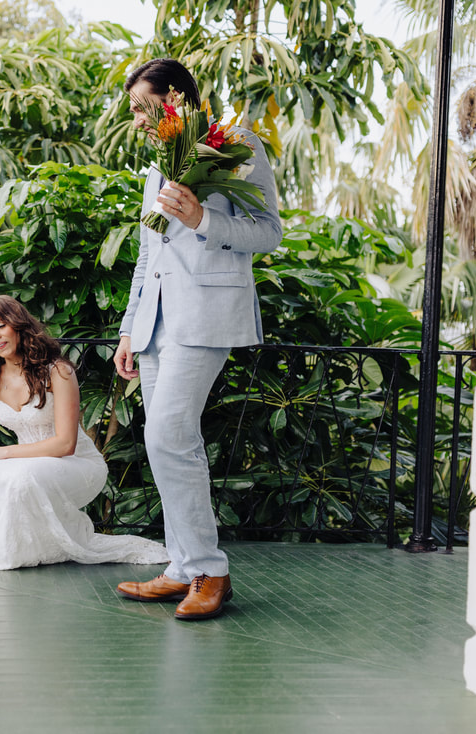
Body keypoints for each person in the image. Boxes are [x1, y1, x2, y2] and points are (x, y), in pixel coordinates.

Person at [113, 59, 282, 620]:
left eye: (144, 107)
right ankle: (184, 568)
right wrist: (129, 329)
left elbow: (269, 234)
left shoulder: (236, 144)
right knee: (168, 444)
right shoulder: (155, 169)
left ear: (176, 99)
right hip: (156, 323)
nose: (137, 119)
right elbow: (146, 255)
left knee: (167, 437)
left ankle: (211, 569)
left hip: (206, 316)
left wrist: (202, 219)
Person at [0, 295, 169, 570]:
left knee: (20, 475)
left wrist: (4, 453)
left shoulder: (57, 371)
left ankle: (47, 546)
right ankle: (24, 550)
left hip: (76, 465)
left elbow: (65, 444)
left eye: (0, 326)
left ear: (17, 324)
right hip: (26, 468)